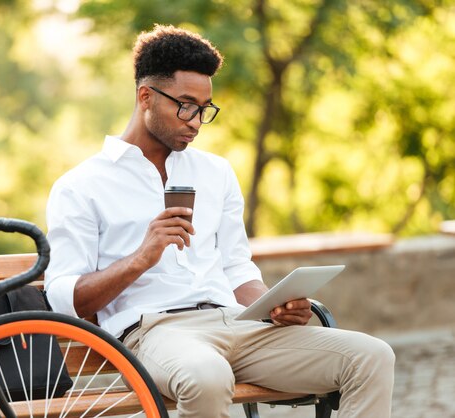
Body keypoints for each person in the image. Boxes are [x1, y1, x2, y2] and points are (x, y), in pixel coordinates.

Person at [44, 24, 395, 418]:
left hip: (238, 324)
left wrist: (273, 305)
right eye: (185, 104)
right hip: (154, 333)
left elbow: (235, 267)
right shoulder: (81, 186)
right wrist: (141, 258)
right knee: (206, 376)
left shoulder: (215, 172)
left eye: (204, 109)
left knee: (370, 356)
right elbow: (64, 298)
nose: (195, 120)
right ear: (146, 96)